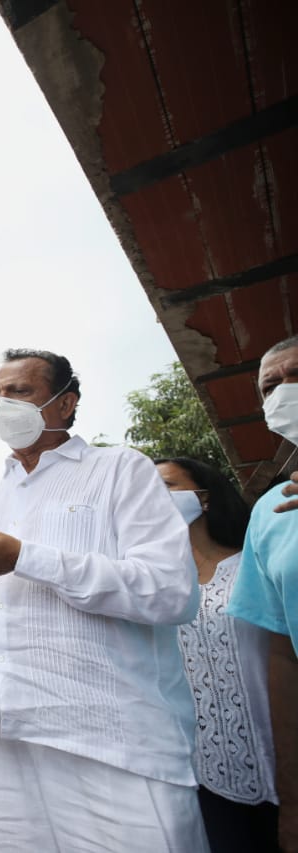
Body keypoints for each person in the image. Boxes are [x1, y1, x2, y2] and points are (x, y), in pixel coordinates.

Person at [0, 348, 208, 853]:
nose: (2, 404)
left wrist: (27, 558)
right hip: (8, 737)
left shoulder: (120, 470)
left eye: (18, 391)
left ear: (66, 404)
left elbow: (172, 592)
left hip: (111, 737)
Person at [154, 456, 278, 851]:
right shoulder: (152, 590)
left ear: (204, 497)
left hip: (281, 759)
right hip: (199, 776)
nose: (155, 498)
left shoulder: (255, 565)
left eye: (167, 486)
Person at [227, 334, 298, 852]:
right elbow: (280, 655)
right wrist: (291, 802)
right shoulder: (269, 510)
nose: (283, 392)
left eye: (295, 377)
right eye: (270, 386)